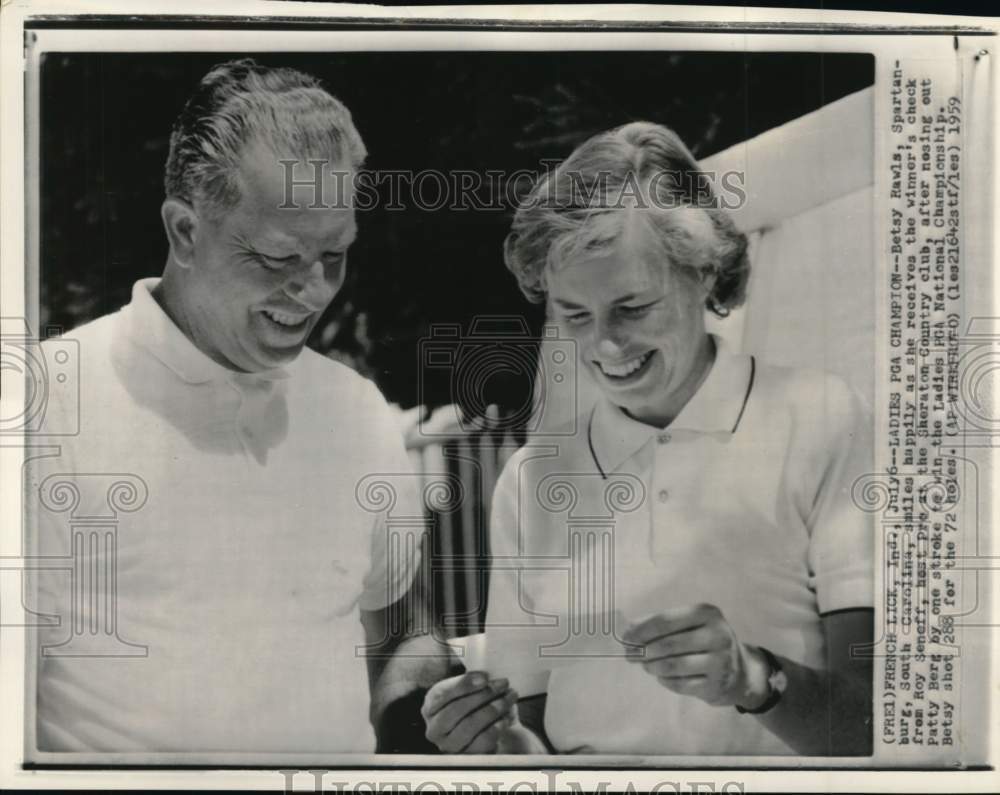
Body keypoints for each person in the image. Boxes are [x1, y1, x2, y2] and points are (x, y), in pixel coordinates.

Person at [421, 122, 874, 755]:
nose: (604, 346)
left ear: (705, 274)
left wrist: (754, 679)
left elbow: (876, 726)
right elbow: (531, 731)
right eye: (574, 315)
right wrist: (492, 740)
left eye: (632, 307)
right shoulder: (533, 481)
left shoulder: (820, 418)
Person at [29, 59, 440, 754]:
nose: (311, 291)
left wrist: (437, 710)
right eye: (277, 257)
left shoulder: (356, 409)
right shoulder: (43, 409)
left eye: (334, 254)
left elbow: (402, 632)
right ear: (185, 230)